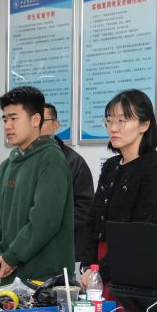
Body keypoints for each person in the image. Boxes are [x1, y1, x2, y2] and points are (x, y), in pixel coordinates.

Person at [0, 86, 74, 284]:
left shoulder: (51, 159)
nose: (8, 126)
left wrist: (11, 256)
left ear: (35, 120)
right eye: (5, 119)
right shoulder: (8, 164)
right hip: (10, 277)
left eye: (14, 118)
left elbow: (45, 220)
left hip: (45, 282)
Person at [82, 89, 157, 282]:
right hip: (100, 265)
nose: (113, 128)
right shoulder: (110, 166)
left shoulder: (156, 166)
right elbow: (93, 219)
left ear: (144, 124)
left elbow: (145, 233)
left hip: (134, 268)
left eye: (122, 121)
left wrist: (100, 272)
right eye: (109, 120)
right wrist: (87, 266)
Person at [42, 103, 94, 264]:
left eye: (42, 121)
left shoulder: (74, 162)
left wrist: (48, 231)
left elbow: (83, 209)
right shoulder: (21, 161)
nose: (37, 127)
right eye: (32, 121)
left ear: (55, 125)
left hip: (62, 251)